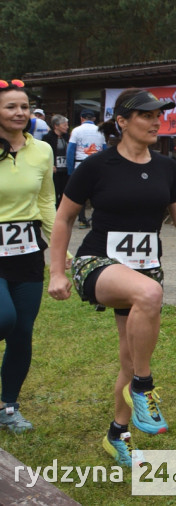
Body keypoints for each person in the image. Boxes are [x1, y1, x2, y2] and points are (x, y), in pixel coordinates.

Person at [47, 88, 176, 466]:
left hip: (145, 266)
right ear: (122, 122)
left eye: (158, 116)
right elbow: (64, 217)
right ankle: (144, 389)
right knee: (149, 295)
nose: (156, 122)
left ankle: (118, 433)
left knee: (130, 359)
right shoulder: (97, 166)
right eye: (146, 116)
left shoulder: (166, 167)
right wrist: (57, 272)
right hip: (97, 262)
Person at [0, 79, 55, 434]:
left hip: (28, 251)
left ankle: (8, 407)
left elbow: (46, 200)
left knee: (21, 332)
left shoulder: (42, 150)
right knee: (3, 319)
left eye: (25, 107)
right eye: (10, 107)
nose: (20, 113)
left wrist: (57, 248)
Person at [67, 108, 106, 229]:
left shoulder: (76, 131)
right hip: (98, 165)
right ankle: (96, 219)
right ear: (93, 119)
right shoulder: (101, 131)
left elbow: (70, 151)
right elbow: (105, 149)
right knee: (97, 193)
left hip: (80, 164)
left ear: (81, 118)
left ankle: (82, 220)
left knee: (80, 194)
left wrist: (70, 170)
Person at [42, 114, 69, 206]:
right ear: (56, 126)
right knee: (54, 192)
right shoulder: (47, 137)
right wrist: (50, 165)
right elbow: (44, 153)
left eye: (67, 124)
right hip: (54, 170)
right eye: (64, 125)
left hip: (65, 169)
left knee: (64, 193)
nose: (67, 127)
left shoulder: (67, 137)